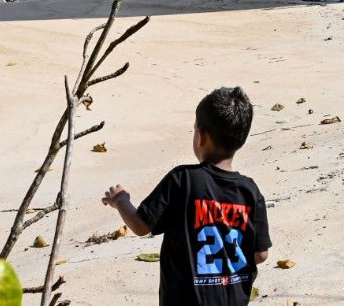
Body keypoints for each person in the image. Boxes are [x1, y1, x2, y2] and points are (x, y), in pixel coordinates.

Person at [103, 86, 271, 304]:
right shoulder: (250, 191)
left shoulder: (182, 179)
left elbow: (141, 225)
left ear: (201, 136)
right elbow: (261, 254)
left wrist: (121, 201)